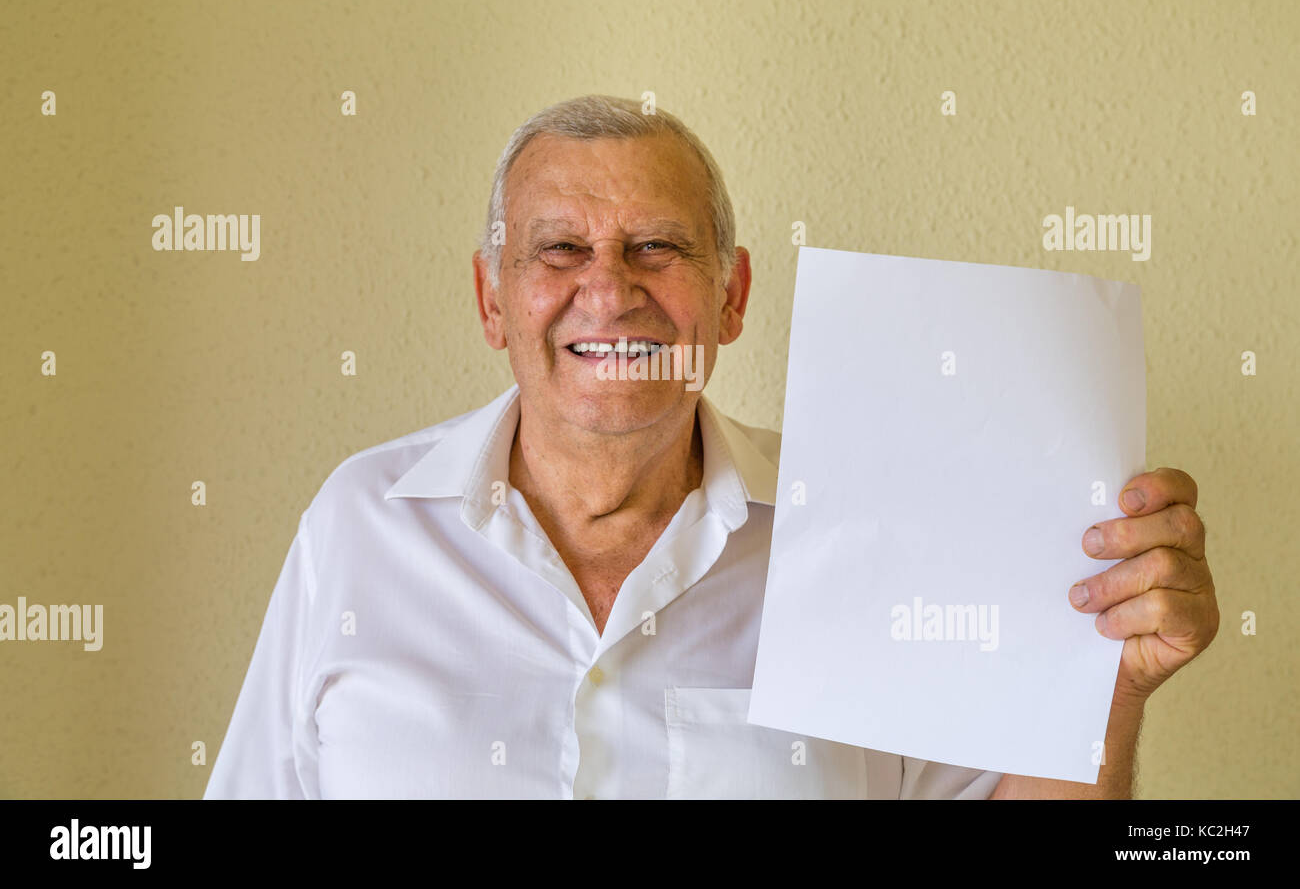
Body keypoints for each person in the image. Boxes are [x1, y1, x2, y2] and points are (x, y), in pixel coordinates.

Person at [204, 94, 1218, 799]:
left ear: (729, 297)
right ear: (492, 299)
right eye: (560, 247)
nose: (608, 287)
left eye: (657, 246)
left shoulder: (862, 530)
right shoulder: (359, 522)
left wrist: (1109, 686)